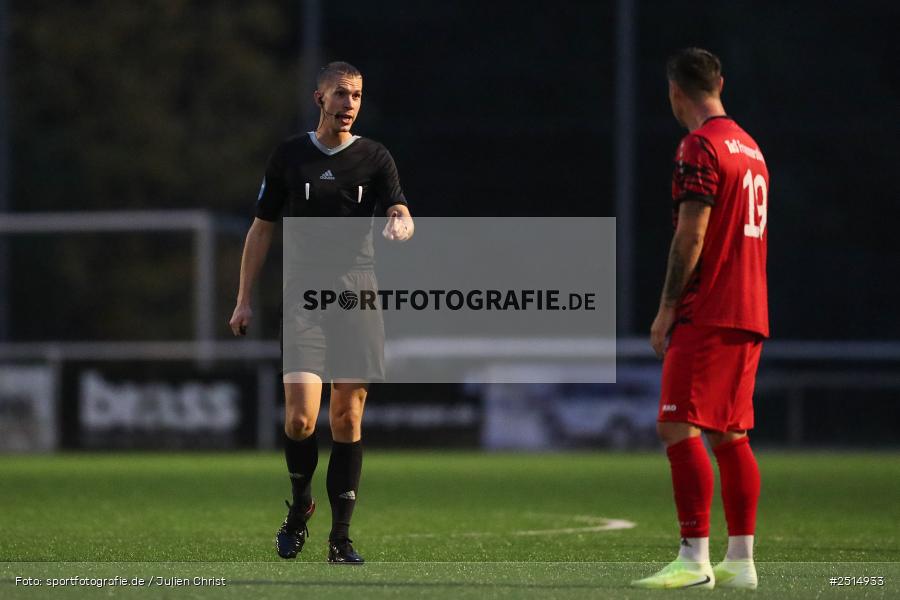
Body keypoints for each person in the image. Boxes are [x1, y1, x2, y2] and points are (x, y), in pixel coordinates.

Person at [228, 61, 413, 564]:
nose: (349, 104)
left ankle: (341, 537)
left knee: (347, 415)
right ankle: (300, 506)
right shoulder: (290, 155)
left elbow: (399, 208)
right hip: (305, 297)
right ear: (319, 99)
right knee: (301, 420)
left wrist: (401, 221)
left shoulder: (375, 157)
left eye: (356, 95)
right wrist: (244, 298)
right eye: (340, 94)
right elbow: (261, 228)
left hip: (358, 295)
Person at [632, 48, 768, 590]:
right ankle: (741, 562)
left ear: (675, 93)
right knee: (731, 435)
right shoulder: (751, 149)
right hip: (750, 308)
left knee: (675, 423)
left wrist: (666, 309)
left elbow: (692, 235)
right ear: (720, 83)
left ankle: (693, 561)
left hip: (708, 308)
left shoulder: (700, 145)